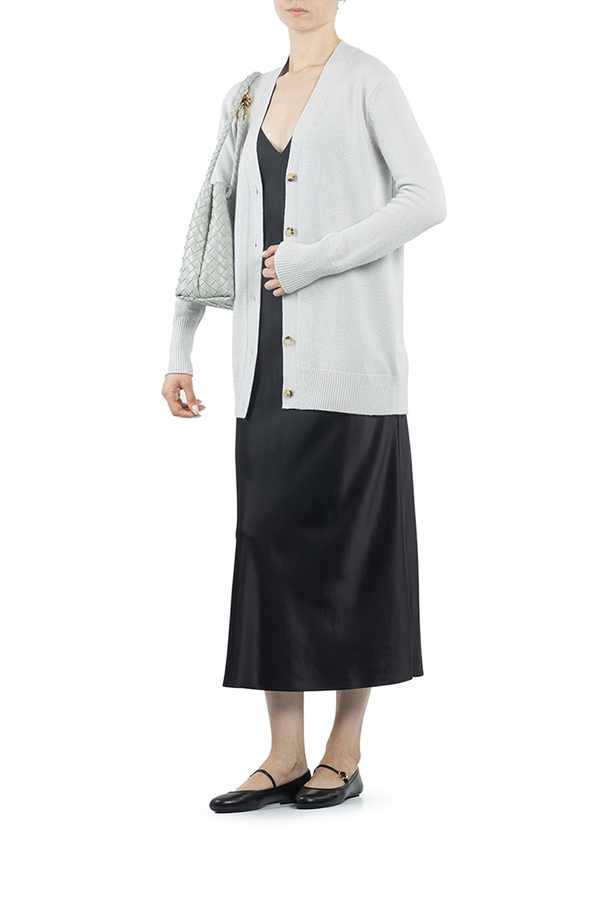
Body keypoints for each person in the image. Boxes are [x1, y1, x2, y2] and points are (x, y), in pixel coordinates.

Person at [161, 0, 446, 812]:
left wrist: (315, 259)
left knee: (355, 553)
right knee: (267, 549)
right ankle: (284, 754)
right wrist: (179, 342)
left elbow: (426, 198)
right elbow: (212, 219)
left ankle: (343, 751)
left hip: (351, 364)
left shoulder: (369, 81)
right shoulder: (246, 94)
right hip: (261, 366)